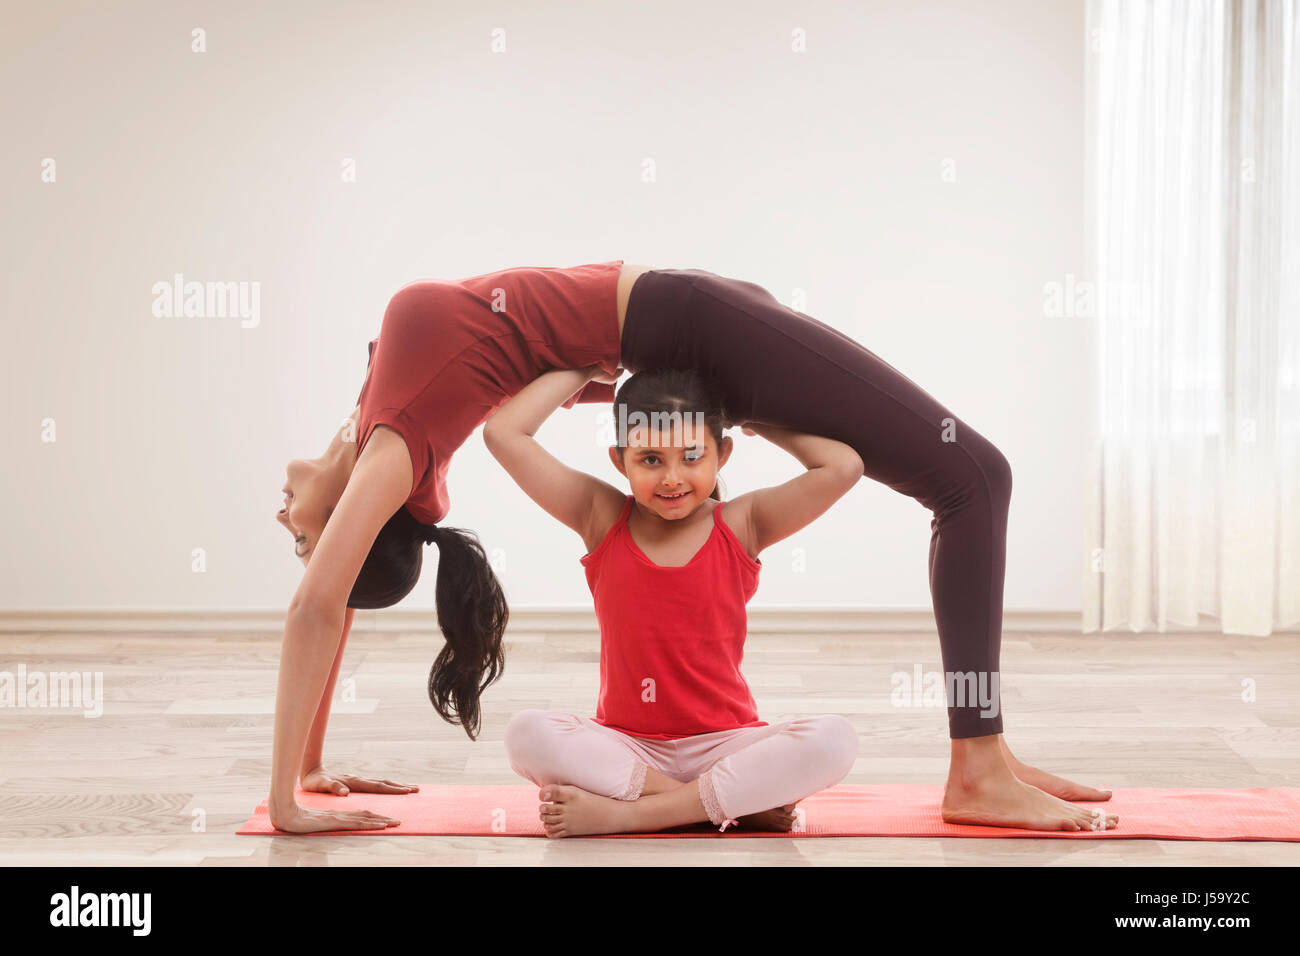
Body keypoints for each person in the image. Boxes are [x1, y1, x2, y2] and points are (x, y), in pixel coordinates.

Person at [269, 261, 1117, 834]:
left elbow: (329, 595)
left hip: (685, 317)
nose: (288, 525)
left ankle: (987, 754)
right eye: (311, 538)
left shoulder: (375, 413)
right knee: (975, 478)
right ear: (358, 516)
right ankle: (976, 767)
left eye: (303, 540)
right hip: (688, 326)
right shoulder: (395, 446)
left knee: (970, 479)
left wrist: (310, 771)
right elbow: (319, 604)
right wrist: (285, 805)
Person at [485, 365, 860, 837]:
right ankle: (725, 802)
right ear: (619, 461)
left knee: (834, 738)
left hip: (727, 745)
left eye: (691, 455)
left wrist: (752, 414)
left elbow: (844, 467)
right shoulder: (600, 515)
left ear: (722, 453)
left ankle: (633, 814)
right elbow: (503, 433)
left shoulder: (745, 522)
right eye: (650, 460)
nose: (672, 478)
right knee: (526, 735)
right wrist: (585, 366)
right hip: (628, 749)